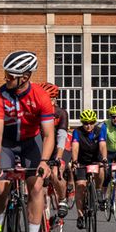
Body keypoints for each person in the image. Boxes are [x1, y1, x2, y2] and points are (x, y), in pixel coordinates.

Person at [0, 51, 54, 232]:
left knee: (36, 187)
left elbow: (49, 133)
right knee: (0, 186)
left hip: (30, 142)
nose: (6, 79)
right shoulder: (0, 95)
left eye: (10, 76)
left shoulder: (40, 96)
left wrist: (44, 161)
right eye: (6, 74)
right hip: (6, 142)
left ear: (24, 77)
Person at [71, 109, 108, 227]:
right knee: (80, 186)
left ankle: (97, 189)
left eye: (91, 123)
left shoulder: (99, 131)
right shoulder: (77, 132)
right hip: (81, 161)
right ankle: (80, 215)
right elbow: (75, 147)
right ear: (82, 123)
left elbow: (102, 145)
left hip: (95, 160)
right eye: (86, 123)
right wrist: (75, 161)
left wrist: (105, 158)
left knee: (101, 169)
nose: (88, 126)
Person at [40, 82, 70, 218]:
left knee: (55, 173)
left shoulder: (60, 113)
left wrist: (58, 157)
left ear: (53, 100)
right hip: (42, 148)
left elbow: (62, 136)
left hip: (60, 148)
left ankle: (63, 199)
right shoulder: (38, 112)